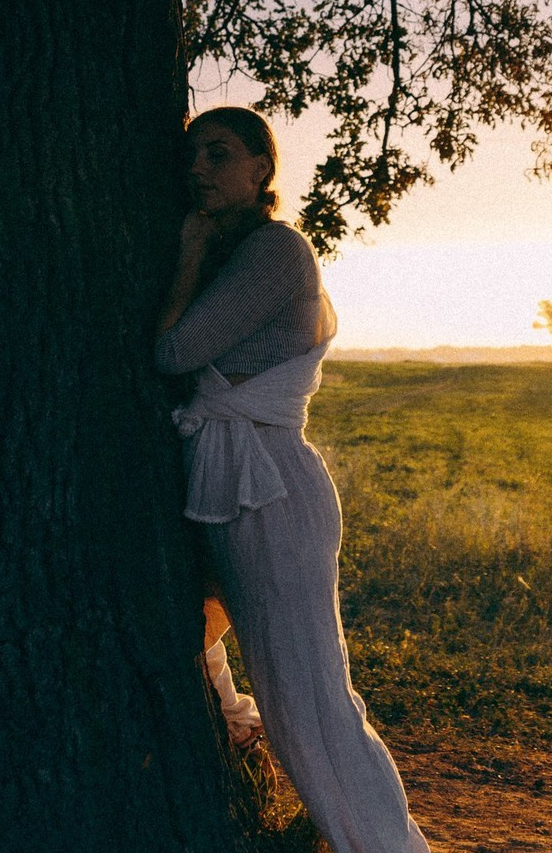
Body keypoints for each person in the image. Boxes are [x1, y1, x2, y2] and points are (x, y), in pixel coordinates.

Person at [156, 106, 431, 853]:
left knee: (307, 697)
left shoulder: (277, 251)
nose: (199, 170)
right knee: (206, 642)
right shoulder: (231, 251)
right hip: (224, 478)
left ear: (262, 169)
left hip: (268, 489)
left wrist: (185, 253)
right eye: (191, 157)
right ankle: (249, 758)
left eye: (219, 154)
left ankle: (382, 845)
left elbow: (177, 351)